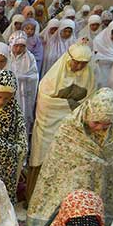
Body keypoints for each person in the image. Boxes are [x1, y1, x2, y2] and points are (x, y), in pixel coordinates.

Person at [23, 89, 113, 226]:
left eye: (106, 125)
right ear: (88, 113)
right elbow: (56, 166)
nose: (100, 129)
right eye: (96, 123)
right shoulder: (69, 127)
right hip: (65, 195)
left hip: (96, 193)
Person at [28, 44, 96, 198]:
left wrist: (71, 107)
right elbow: (46, 103)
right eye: (76, 62)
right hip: (48, 127)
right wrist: (71, 105)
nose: (79, 66)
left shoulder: (89, 77)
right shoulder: (52, 77)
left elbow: (89, 103)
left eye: (83, 64)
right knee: (43, 158)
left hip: (72, 130)